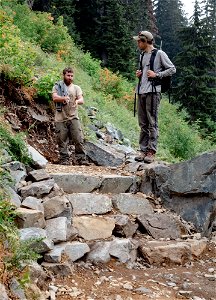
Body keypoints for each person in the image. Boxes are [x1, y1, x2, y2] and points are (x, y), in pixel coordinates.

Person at [133, 31, 176, 163]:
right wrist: (140, 74)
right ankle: (143, 150)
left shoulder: (159, 54)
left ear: (145, 41)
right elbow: (145, 72)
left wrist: (157, 75)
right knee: (143, 123)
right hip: (141, 91)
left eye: (139, 41)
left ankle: (151, 151)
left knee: (152, 122)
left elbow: (172, 69)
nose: (137, 43)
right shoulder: (142, 55)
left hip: (153, 92)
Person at [52, 67, 87, 165]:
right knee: (61, 140)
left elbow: (82, 100)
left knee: (78, 138)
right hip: (60, 117)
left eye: (72, 76)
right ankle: (64, 160)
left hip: (73, 116)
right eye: (68, 75)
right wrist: (63, 98)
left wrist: (77, 101)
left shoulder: (76, 88)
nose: (70, 77)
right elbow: (54, 98)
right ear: (63, 75)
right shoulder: (57, 86)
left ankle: (81, 159)